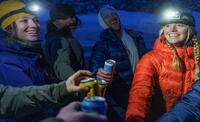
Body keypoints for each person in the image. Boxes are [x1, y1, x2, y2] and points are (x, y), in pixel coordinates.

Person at [0, 0, 76, 121]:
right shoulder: (6, 61)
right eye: (24, 20)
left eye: (35, 20)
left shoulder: (30, 53)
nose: (34, 25)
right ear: (7, 27)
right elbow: (28, 105)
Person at [126, 10, 200, 122]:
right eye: (167, 25)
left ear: (190, 30)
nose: (172, 29)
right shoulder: (151, 59)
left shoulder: (197, 58)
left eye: (180, 25)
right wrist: (135, 119)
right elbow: (140, 95)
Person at [89, 5, 147, 122]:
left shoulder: (135, 36)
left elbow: (146, 57)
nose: (112, 17)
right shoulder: (103, 43)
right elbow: (96, 61)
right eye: (107, 17)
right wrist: (98, 71)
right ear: (102, 22)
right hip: (121, 93)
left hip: (141, 87)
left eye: (114, 14)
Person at [0, 70, 106, 122]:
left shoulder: (36, 53)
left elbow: (7, 97)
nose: (34, 25)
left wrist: (63, 89)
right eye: (24, 24)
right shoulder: (8, 61)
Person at [44, 4, 84, 82]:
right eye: (64, 18)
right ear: (54, 22)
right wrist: (77, 82)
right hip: (70, 89)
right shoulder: (59, 40)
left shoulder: (63, 37)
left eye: (72, 16)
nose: (72, 21)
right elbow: (61, 64)